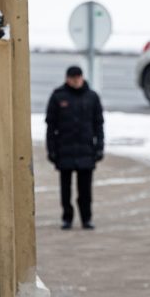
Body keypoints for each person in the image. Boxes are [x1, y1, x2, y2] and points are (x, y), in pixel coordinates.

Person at [45, 65, 105, 230]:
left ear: (82, 77)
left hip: (86, 150)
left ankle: (86, 218)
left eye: (78, 77)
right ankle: (67, 218)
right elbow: (51, 126)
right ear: (67, 79)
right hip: (64, 150)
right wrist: (51, 149)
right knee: (66, 189)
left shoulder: (92, 97)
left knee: (85, 190)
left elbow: (99, 124)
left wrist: (99, 147)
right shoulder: (58, 97)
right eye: (72, 78)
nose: (76, 81)